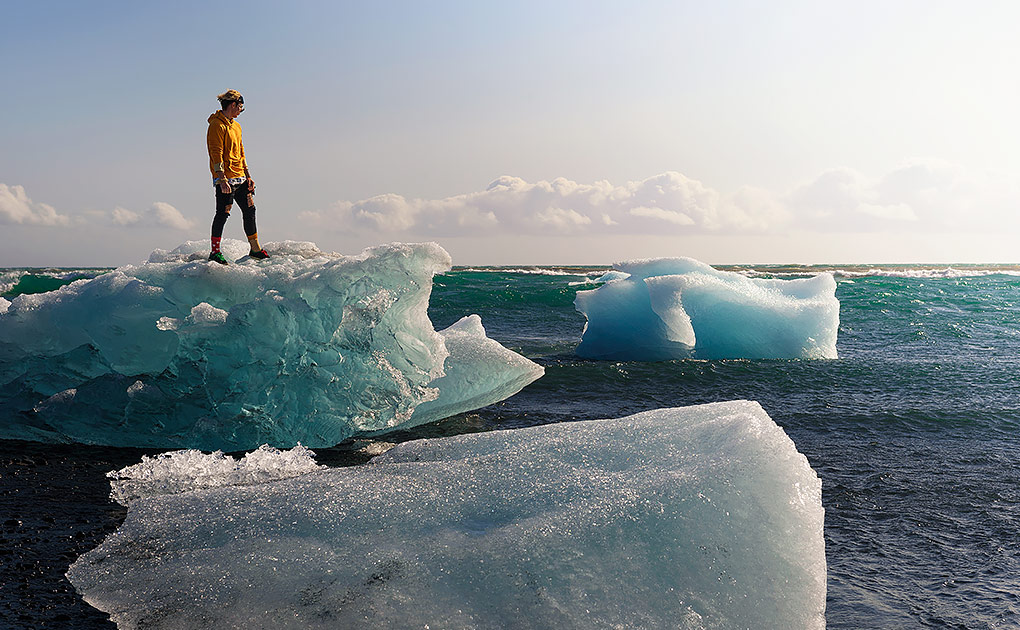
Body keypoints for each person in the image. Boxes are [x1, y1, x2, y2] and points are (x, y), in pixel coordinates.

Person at [206, 89, 269, 264]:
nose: (241, 110)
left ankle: (255, 249)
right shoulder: (216, 125)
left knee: (250, 210)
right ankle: (215, 252)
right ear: (233, 105)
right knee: (223, 213)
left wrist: (248, 175)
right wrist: (221, 178)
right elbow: (215, 153)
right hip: (225, 179)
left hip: (240, 177)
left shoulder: (236, 126)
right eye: (241, 106)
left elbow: (241, 152)